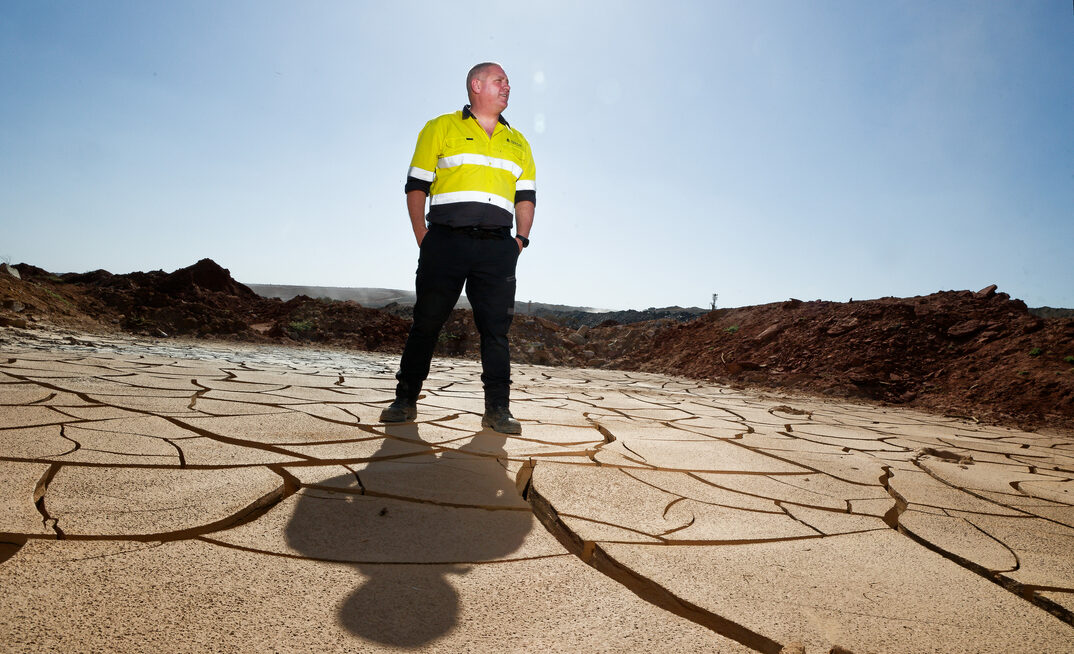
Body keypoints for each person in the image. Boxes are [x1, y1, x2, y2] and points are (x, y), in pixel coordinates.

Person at [379, 62, 536, 435]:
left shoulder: (520, 143)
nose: (507, 86)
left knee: (496, 331)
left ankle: (498, 409)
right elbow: (416, 185)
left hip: (498, 248)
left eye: (508, 82)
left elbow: (526, 196)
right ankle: (404, 400)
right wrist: (423, 234)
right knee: (427, 323)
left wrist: (520, 241)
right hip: (445, 242)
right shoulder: (440, 127)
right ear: (476, 85)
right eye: (500, 80)